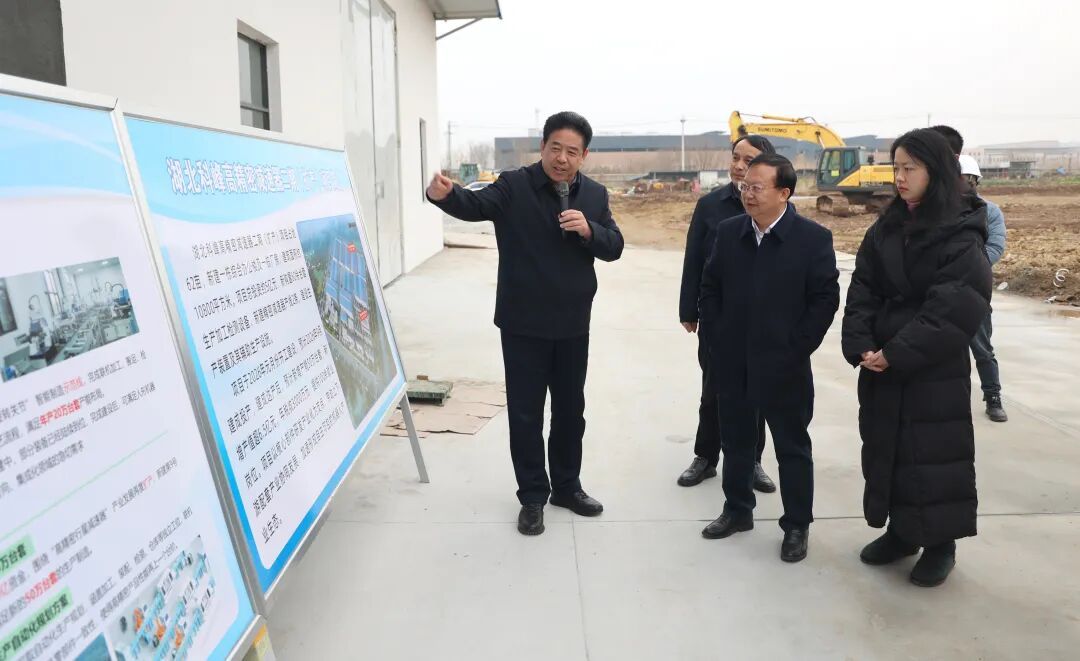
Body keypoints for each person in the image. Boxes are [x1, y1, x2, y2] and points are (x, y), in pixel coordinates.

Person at [425, 111, 624, 536]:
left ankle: (567, 487)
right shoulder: (514, 185)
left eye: (572, 152)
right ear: (543, 147)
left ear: (584, 156)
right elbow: (475, 205)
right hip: (523, 324)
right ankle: (533, 496)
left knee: (570, 412)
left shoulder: (594, 195)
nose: (562, 158)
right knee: (526, 414)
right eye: (556, 148)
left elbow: (615, 246)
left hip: (573, 324)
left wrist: (590, 230)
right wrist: (446, 195)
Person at [841, 129, 992, 587]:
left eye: (910, 168)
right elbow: (863, 288)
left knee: (932, 453)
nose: (900, 177)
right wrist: (862, 344)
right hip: (882, 363)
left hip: (931, 367)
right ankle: (902, 531)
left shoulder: (961, 231)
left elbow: (954, 307)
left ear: (936, 171)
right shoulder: (887, 225)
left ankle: (941, 543)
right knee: (888, 449)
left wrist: (897, 352)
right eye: (897, 167)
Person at [698, 154, 839, 563]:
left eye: (758, 187)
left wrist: (796, 348)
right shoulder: (730, 232)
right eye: (745, 186)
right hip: (734, 362)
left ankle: (796, 524)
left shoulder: (812, 239)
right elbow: (710, 287)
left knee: (792, 447)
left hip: (785, 365)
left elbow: (824, 300)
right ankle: (737, 510)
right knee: (736, 442)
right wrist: (718, 338)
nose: (749, 194)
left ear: (784, 193)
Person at [677, 135, 778, 492]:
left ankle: (753, 460)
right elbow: (693, 258)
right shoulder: (710, 205)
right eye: (736, 157)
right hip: (717, 316)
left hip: (759, 320)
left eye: (748, 160)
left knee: (756, 391)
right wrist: (688, 308)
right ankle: (705, 457)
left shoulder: (775, 206)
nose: (738, 165)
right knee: (713, 388)